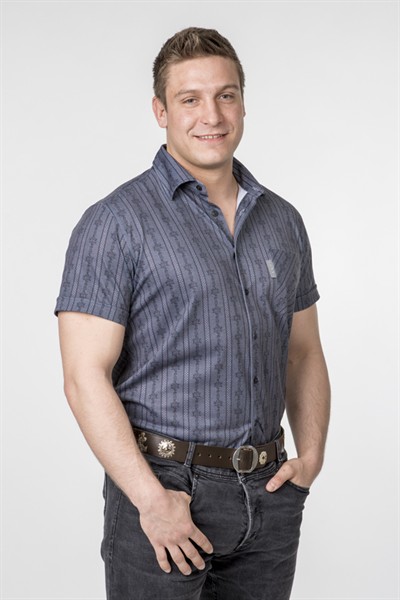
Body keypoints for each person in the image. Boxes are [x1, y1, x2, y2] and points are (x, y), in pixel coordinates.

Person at [55, 27, 330, 600]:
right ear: (161, 111)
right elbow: (84, 377)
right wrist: (151, 500)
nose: (212, 115)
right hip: (164, 493)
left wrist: (311, 458)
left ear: (243, 104)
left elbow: (303, 352)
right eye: (190, 99)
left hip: (269, 496)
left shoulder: (283, 221)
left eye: (226, 95)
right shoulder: (115, 222)